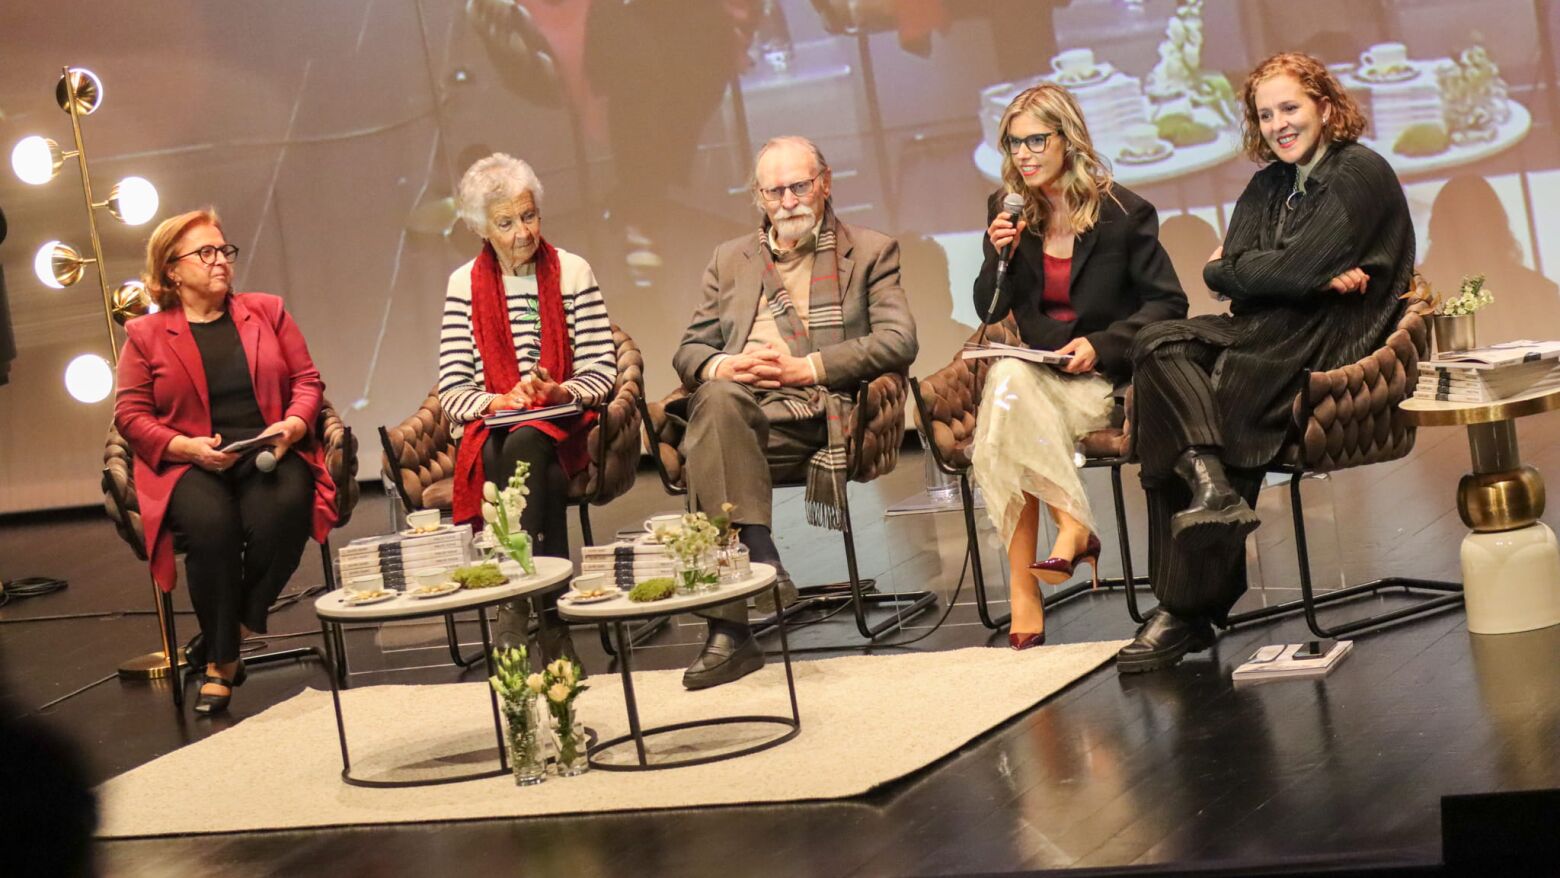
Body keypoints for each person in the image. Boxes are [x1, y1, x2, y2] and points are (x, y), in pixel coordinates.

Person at [1119, 52, 1414, 672]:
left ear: (1325, 108)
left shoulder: (1360, 173)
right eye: (1266, 113)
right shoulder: (1267, 184)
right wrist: (1247, 273)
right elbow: (1237, 280)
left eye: (1291, 108)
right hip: (1263, 326)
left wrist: (1247, 270)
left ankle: (1186, 608)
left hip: (1329, 339)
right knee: (1158, 344)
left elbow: (1270, 270)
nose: (1279, 124)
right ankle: (1211, 485)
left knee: (1219, 392)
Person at [669, 135, 918, 689]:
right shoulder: (729, 259)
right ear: (759, 197)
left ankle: (730, 633)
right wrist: (726, 367)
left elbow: (900, 342)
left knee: (710, 435)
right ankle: (761, 560)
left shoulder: (871, 251)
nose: (788, 201)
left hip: (819, 417)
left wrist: (804, 369)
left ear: (825, 183)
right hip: (740, 408)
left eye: (799, 186)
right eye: (774, 191)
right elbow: (689, 351)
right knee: (717, 401)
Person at [972, 84, 1187, 650]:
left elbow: (1168, 304)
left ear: (1068, 140)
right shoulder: (1008, 212)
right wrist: (998, 255)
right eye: (1014, 143)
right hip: (1039, 372)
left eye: (1036, 140)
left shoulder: (1124, 213)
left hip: (1100, 379)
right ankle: (1069, 535)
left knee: (1005, 411)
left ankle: (1036, 576)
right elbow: (991, 310)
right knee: (1009, 383)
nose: (1024, 154)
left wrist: (1101, 343)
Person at [114, 209, 339, 715]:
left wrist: (296, 426)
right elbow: (130, 414)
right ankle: (221, 660)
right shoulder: (146, 335)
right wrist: (183, 447)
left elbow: (307, 381)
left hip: (267, 450)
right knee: (211, 528)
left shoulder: (267, 311)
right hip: (189, 463)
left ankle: (225, 645)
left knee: (285, 511)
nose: (221, 261)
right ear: (172, 270)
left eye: (224, 251)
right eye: (206, 253)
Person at [440, 153, 617, 665]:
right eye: (506, 222)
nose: (523, 232)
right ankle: (552, 620)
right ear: (480, 228)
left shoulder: (573, 272)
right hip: (496, 424)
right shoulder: (462, 285)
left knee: (522, 444)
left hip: (563, 423)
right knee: (510, 442)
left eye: (529, 215)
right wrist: (501, 399)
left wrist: (559, 394)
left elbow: (603, 371)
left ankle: (517, 605)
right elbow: (452, 389)